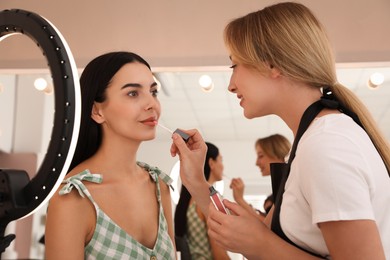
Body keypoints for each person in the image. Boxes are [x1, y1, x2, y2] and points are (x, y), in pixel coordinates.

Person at [169, 2, 390, 259]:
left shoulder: (326, 145)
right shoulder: (310, 142)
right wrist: (196, 181)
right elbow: (253, 233)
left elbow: (262, 242)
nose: (231, 85)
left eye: (234, 66)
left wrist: (262, 245)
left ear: (272, 65)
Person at [45, 52, 176, 259]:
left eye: (153, 92)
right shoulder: (72, 198)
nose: (151, 104)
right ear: (97, 111)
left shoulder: (159, 186)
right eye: (133, 93)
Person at [174, 142, 230, 260]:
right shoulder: (211, 199)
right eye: (221, 160)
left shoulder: (188, 200)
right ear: (211, 163)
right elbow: (219, 255)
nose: (223, 166)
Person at [230, 134, 291, 218]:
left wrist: (240, 199)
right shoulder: (279, 190)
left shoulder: (289, 187)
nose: (256, 163)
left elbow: (268, 227)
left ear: (279, 154)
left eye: (261, 156)